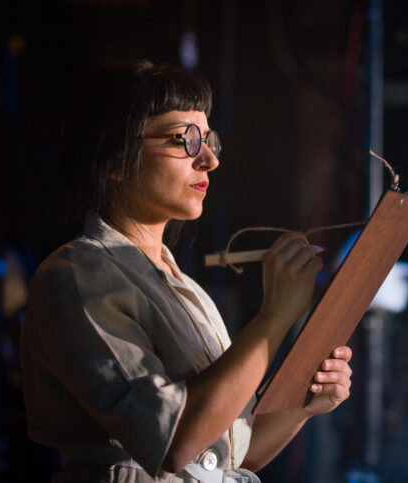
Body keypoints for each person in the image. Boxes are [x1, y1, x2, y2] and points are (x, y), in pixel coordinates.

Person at [20, 61, 353, 483]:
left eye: (209, 139)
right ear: (115, 160)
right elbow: (177, 440)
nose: (209, 160)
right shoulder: (76, 274)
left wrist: (301, 405)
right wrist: (273, 318)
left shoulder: (180, 286)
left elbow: (227, 456)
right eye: (185, 140)